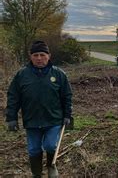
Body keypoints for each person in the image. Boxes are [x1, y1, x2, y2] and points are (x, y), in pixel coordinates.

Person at [5, 41, 73, 177]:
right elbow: (13, 97)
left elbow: (67, 96)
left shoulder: (59, 75)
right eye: (35, 55)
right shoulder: (22, 75)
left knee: (50, 145)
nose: (39, 58)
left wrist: (68, 115)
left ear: (49, 56)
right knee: (34, 149)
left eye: (42, 54)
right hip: (32, 120)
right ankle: (36, 174)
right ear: (31, 57)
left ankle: (51, 166)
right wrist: (11, 118)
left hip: (53, 119)